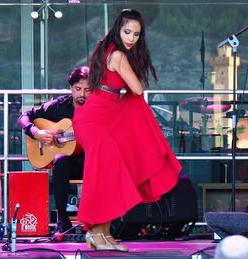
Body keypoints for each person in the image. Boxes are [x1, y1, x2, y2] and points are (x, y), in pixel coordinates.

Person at [72, 9, 181, 251]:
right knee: (104, 175)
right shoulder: (118, 55)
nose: (131, 38)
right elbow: (137, 89)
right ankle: (93, 231)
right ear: (118, 29)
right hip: (94, 121)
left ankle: (105, 234)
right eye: (127, 32)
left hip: (98, 119)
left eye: (136, 34)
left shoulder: (106, 48)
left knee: (109, 175)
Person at [18, 66, 90, 233]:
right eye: (78, 89)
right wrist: (37, 132)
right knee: (60, 160)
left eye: (87, 90)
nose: (82, 94)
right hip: (67, 167)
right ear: (71, 88)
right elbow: (24, 117)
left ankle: (97, 220)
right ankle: (62, 218)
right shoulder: (59, 106)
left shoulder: (96, 109)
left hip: (90, 162)